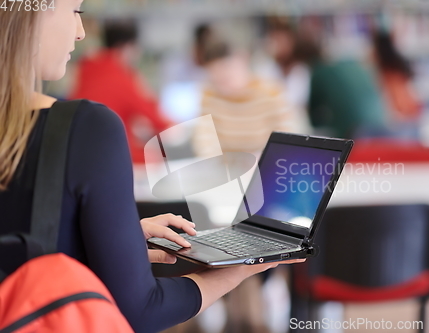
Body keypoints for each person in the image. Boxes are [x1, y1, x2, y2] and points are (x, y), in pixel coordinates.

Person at [0, 4, 302, 333]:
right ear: (31, 14)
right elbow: (141, 310)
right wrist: (239, 270)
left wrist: (111, 238)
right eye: (74, 10)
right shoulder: (87, 128)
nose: (81, 32)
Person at [69, 18, 172, 164]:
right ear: (128, 47)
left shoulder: (87, 68)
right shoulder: (121, 76)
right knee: (157, 157)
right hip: (110, 154)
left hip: (79, 152)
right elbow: (157, 120)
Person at [192, 38, 292, 158]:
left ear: (243, 59)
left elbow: (287, 138)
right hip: (228, 170)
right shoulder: (210, 97)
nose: (223, 82)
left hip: (264, 166)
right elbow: (204, 143)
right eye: (217, 79)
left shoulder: (270, 92)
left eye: (227, 70)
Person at [370, 29, 421, 139]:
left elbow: (392, 103)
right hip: (412, 119)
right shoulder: (399, 66)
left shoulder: (384, 72)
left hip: (400, 123)